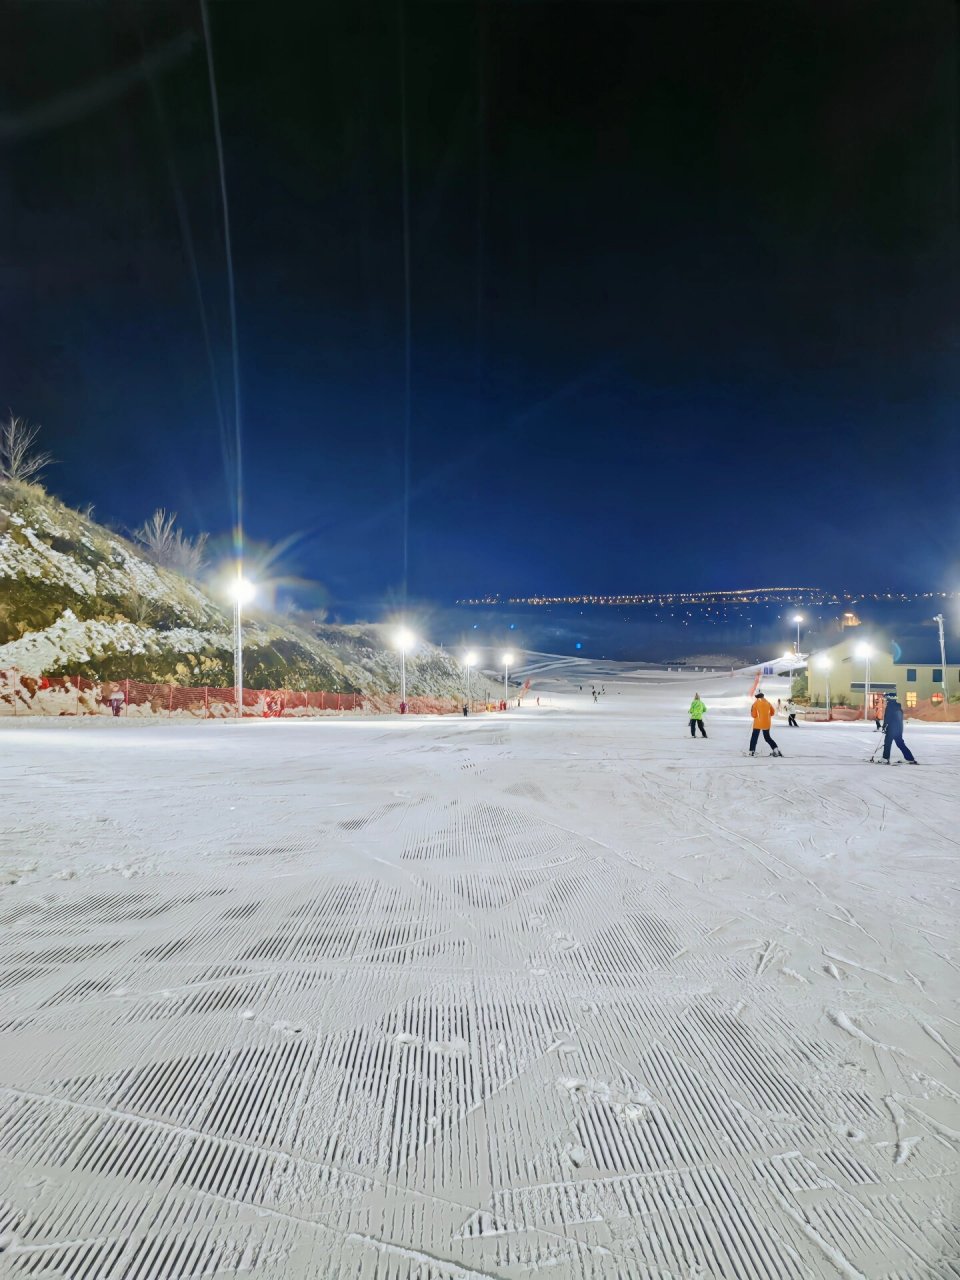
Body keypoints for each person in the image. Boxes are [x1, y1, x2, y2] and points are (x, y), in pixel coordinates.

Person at [881, 691, 917, 764]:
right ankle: (910, 758)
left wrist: (884, 726)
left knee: (887, 743)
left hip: (891, 728)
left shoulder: (890, 706)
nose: (886, 699)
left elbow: (887, 718)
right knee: (900, 743)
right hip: (898, 729)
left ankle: (885, 758)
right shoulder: (898, 707)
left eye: (887, 698)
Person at [749, 691, 782, 756]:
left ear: (757, 697)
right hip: (767, 723)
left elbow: (754, 715)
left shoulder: (755, 703)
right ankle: (776, 750)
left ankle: (752, 751)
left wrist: (752, 711)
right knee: (767, 737)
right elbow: (772, 712)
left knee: (754, 737)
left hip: (758, 724)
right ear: (763, 696)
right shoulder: (768, 703)